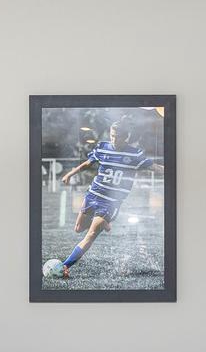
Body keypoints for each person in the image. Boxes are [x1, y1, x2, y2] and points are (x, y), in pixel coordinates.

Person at [52, 119, 156, 278]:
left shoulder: (134, 154)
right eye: (112, 136)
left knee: (91, 235)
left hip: (110, 203)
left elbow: (154, 167)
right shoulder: (103, 147)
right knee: (78, 228)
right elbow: (87, 164)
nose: (114, 139)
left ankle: (64, 266)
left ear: (126, 137)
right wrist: (69, 174)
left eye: (118, 137)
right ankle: (104, 224)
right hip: (92, 195)